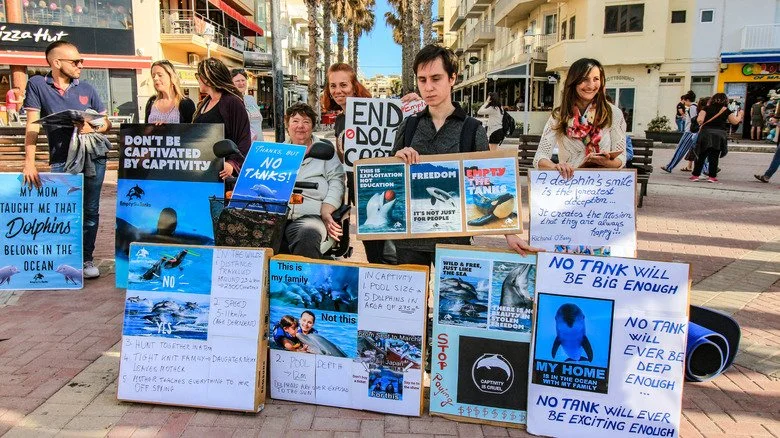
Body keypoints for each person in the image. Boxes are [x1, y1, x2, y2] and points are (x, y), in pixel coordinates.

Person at [392, 44, 537, 265]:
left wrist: (510, 232)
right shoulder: (409, 125)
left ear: (452, 78)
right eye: (422, 80)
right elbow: (391, 178)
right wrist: (398, 158)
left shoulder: (472, 128)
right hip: (410, 241)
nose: (428, 87)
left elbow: (487, 183)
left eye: (436, 78)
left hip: (455, 239)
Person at [22, 40, 112, 279]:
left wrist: (93, 126)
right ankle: (65, 259)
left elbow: (106, 123)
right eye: (75, 61)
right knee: (64, 210)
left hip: (92, 157)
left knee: (90, 210)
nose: (80, 65)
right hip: (62, 159)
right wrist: (29, 161)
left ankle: (86, 259)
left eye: (81, 60)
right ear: (56, 62)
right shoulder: (37, 84)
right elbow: (32, 125)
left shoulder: (87, 89)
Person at [321, 62, 393, 264]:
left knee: (390, 253)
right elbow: (343, 158)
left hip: (383, 189)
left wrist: (412, 102)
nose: (338, 90)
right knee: (373, 253)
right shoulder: (340, 120)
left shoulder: (376, 111)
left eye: (343, 84)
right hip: (359, 192)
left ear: (354, 86)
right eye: (333, 86)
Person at [533, 57, 626, 180]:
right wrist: (556, 167)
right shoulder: (560, 115)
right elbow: (539, 157)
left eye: (596, 79)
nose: (591, 85)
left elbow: (621, 157)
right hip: (569, 184)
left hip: (603, 185)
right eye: (585, 79)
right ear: (573, 81)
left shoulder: (613, 114)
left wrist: (606, 163)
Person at [284, 102, 346, 259]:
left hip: (312, 214)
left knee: (308, 234)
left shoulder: (325, 151)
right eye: (295, 121)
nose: (300, 126)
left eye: (306, 122)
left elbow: (337, 181)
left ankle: (305, 275)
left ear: (312, 126)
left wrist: (327, 210)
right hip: (277, 215)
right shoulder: (278, 152)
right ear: (287, 126)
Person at [193, 58, 251, 180]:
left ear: (208, 78)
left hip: (223, 174)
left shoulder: (232, 102)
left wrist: (232, 163)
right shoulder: (205, 103)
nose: (197, 80)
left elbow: (244, 138)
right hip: (204, 169)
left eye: (199, 76)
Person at [690, 93, 743, 183]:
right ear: (725, 100)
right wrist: (740, 114)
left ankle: (695, 175)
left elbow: (700, 120)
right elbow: (734, 122)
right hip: (719, 135)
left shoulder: (706, 108)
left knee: (701, 155)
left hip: (706, 134)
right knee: (714, 156)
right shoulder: (726, 110)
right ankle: (712, 177)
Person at [661, 91, 698, 173]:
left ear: (687, 100)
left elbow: (694, 120)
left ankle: (669, 166)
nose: (684, 103)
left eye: (684, 101)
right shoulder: (696, 106)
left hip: (689, 132)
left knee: (680, 149)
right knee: (698, 152)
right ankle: (708, 169)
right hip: (693, 132)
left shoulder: (692, 107)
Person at [231, 69, 263, 141]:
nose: (241, 83)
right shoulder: (230, 101)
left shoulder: (250, 99)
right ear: (231, 83)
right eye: (237, 81)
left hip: (258, 144)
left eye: (243, 80)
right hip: (243, 144)